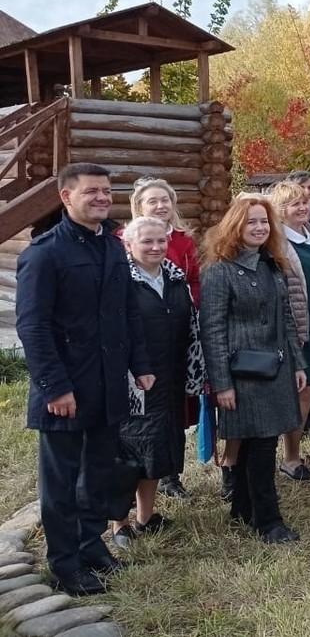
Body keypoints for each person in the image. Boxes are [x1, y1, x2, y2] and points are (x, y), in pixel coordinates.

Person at [17, 163, 154, 595]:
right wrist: (55, 387)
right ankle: (65, 564)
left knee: (99, 472)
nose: (100, 197)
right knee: (61, 483)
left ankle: (91, 545)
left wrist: (141, 363)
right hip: (64, 390)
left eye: (106, 190)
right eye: (91, 191)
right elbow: (32, 327)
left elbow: (127, 311)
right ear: (66, 197)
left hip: (108, 383)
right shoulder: (44, 254)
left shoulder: (112, 247)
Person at [200, 194, 306, 544]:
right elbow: (211, 330)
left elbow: (287, 319)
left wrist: (297, 363)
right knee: (260, 447)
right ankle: (269, 522)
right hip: (241, 375)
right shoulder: (219, 272)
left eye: (264, 221)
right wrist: (222, 384)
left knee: (258, 444)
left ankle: (242, 509)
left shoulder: (271, 265)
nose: (259, 228)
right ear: (235, 226)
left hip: (275, 368)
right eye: (252, 222)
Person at [110, 217, 204, 549]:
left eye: (160, 241)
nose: (155, 247)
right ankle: (119, 524)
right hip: (133, 381)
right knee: (130, 451)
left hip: (171, 377)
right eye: (147, 242)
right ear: (129, 245)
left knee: (158, 447)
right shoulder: (120, 281)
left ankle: (146, 517)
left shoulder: (175, 278)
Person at [127, 177, 201, 498]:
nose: (160, 206)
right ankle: (132, 486)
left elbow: (194, 282)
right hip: (142, 346)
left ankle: (172, 475)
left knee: (176, 413)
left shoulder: (184, 241)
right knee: (140, 422)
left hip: (178, 335)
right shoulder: (128, 242)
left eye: (165, 200)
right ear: (139, 207)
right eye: (152, 201)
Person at [271, 180, 310, 481]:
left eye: (305, 201)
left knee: (308, 392)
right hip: (297, 331)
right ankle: (291, 457)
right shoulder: (277, 245)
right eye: (293, 203)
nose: (302, 206)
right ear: (280, 210)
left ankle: (293, 453)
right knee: (298, 392)